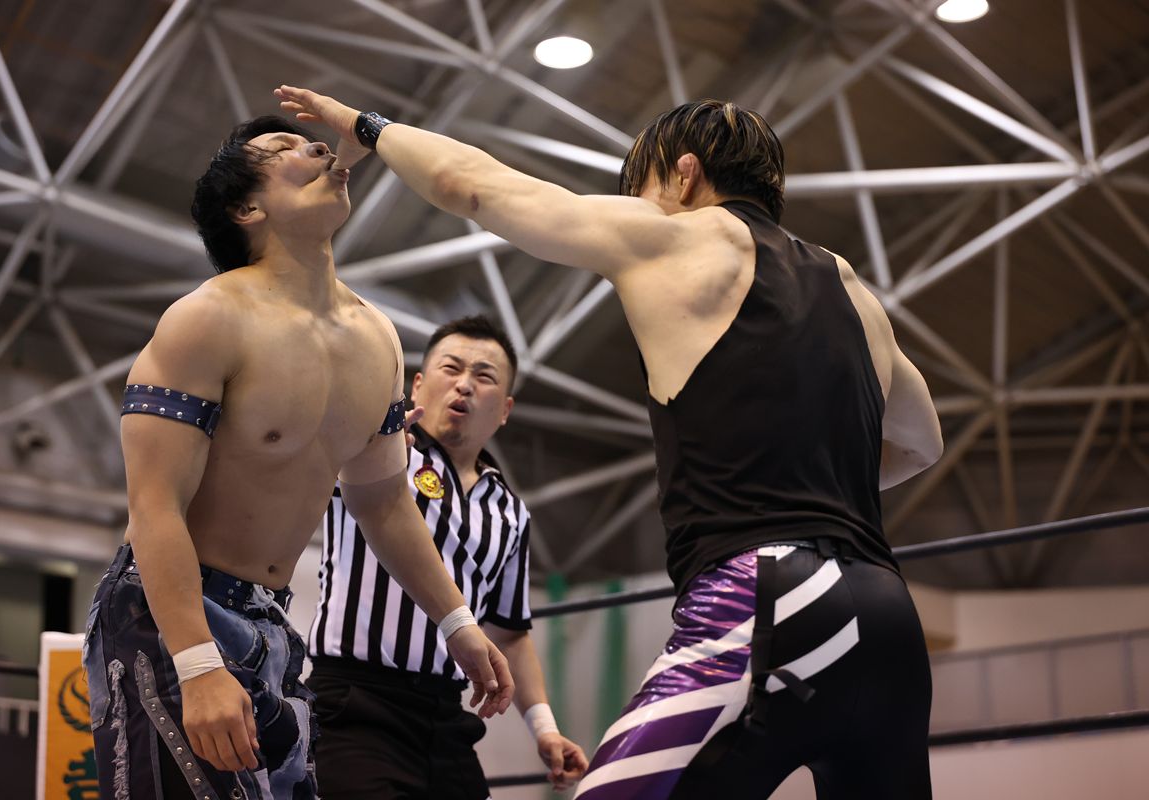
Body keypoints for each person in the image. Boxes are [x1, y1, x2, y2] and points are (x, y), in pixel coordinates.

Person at [275, 87, 945, 799]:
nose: (641, 206)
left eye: (644, 189)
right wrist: (808, 477)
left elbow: (469, 184)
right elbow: (921, 442)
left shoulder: (679, 235)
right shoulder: (852, 289)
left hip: (771, 598)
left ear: (684, 175)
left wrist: (368, 126)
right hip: (889, 616)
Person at [81, 115, 513, 800]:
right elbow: (154, 505)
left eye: (313, 141)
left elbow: (384, 501)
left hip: (272, 624)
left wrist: (456, 621)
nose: (317, 147)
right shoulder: (206, 318)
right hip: (167, 616)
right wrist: (196, 664)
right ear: (246, 208)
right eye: (285, 149)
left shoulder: (378, 340)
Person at [307, 314, 589, 798]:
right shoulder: (380, 452)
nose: (464, 385)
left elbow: (509, 632)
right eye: (451, 368)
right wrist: (367, 441)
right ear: (417, 385)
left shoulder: (510, 511)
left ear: (505, 409)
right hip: (356, 704)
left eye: (484, 376)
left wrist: (544, 728)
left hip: (446, 716)